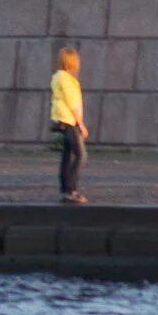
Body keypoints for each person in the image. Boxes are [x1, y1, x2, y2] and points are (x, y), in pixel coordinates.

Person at [51, 46, 88, 204]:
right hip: (69, 121)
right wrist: (81, 124)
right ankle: (71, 190)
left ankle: (65, 190)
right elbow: (72, 102)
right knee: (80, 155)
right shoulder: (65, 79)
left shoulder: (58, 77)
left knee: (67, 157)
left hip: (62, 121)